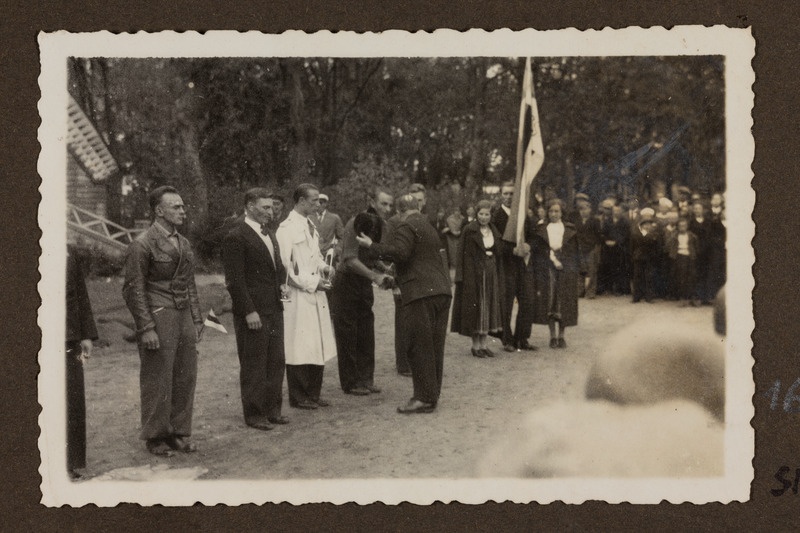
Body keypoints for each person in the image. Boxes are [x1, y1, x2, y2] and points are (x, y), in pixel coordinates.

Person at [122, 185, 203, 456]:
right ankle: (155, 436)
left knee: (185, 374)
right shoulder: (142, 243)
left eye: (182, 206)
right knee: (158, 377)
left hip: (182, 316)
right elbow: (133, 289)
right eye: (176, 207)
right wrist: (145, 327)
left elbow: (188, 283)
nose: (183, 210)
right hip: (158, 316)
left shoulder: (184, 243)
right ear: (159, 211)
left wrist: (197, 318)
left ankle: (179, 432)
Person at [356, 194, 452, 414]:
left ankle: (422, 397)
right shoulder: (428, 226)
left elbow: (401, 253)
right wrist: (395, 278)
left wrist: (372, 245)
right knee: (435, 346)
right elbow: (420, 261)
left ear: (399, 212)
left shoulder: (405, 225)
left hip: (420, 295)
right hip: (440, 292)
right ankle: (431, 394)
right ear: (417, 207)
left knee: (418, 345)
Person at [222, 188, 289, 431]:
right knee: (254, 362)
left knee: (276, 360)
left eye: (272, 208)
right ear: (250, 206)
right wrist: (248, 311)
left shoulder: (269, 233)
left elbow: (276, 267)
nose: (271, 212)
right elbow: (235, 280)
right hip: (253, 312)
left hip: (274, 308)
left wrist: (282, 286)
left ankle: (273, 410)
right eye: (265, 208)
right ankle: (254, 414)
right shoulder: (236, 236)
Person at [275, 183, 337, 410]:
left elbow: (315, 256)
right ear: (301, 201)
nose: (318, 204)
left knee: (317, 344)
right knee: (299, 345)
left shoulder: (311, 225)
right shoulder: (287, 229)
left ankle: (313, 393)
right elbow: (284, 269)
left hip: (315, 295)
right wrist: (313, 283)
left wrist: (325, 268)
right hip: (299, 297)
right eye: (313, 200)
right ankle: (299, 396)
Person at [330, 187, 394, 396]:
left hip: (363, 283)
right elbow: (349, 259)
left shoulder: (380, 225)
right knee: (348, 333)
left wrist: (383, 268)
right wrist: (375, 276)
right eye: (383, 203)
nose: (387, 208)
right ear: (372, 202)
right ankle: (350, 383)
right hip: (346, 283)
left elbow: (369, 254)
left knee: (366, 331)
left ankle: (366, 379)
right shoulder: (354, 222)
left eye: (390, 204)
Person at [451, 200, 503, 357]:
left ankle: (484, 344)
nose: (484, 217)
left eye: (487, 214)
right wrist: (461, 276)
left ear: (490, 215)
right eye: (481, 214)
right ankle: (475, 346)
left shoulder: (493, 230)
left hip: (491, 272)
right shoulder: (469, 230)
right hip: (474, 274)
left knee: (488, 306)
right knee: (477, 306)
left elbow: (497, 251)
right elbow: (460, 254)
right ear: (476, 214)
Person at [492, 181, 535, 352]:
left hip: (523, 263)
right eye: (506, 194)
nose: (509, 197)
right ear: (501, 195)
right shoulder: (496, 216)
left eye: (512, 194)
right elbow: (495, 241)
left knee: (527, 299)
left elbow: (533, 236)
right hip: (506, 263)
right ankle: (507, 339)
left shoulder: (523, 214)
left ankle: (522, 338)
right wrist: (512, 250)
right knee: (506, 301)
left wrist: (528, 246)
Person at [66, 246, 98, 479]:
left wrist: (86, 334)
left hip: (69, 337)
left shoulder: (69, 252)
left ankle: (69, 462)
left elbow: (80, 294)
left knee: (72, 397)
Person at [531, 198, 579, 348]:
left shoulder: (569, 229)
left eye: (556, 211)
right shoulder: (541, 229)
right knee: (550, 301)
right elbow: (537, 251)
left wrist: (570, 266)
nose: (553, 214)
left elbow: (575, 252)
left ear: (561, 212)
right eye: (551, 211)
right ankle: (552, 336)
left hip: (565, 268)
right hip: (547, 268)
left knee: (563, 301)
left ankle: (561, 336)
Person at [569, 193, 602, 299]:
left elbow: (598, 235)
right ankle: (580, 291)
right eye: (581, 209)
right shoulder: (576, 221)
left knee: (592, 271)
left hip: (591, 248)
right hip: (579, 248)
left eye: (586, 209)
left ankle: (591, 292)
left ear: (590, 210)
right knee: (579, 270)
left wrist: (596, 247)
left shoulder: (595, 221)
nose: (583, 211)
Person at [666, 217, 698, 306]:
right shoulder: (674, 235)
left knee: (691, 276)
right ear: (678, 227)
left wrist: (693, 254)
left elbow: (696, 245)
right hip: (679, 256)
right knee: (681, 278)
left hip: (690, 256)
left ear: (687, 226)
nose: (682, 227)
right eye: (680, 226)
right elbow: (668, 246)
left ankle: (691, 298)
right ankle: (683, 298)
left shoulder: (692, 235)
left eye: (684, 225)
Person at [630, 216, 660, 303]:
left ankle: (649, 297)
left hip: (649, 258)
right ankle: (636, 296)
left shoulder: (654, 235)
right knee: (637, 277)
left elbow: (657, 247)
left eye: (649, 224)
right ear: (641, 226)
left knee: (649, 277)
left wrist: (655, 256)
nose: (647, 226)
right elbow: (632, 247)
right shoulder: (635, 234)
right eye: (645, 224)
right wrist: (633, 255)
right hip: (638, 258)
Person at [310, 193, 344, 265]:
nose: (319, 205)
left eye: (321, 203)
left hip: (328, 256)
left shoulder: (334, 218)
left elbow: (342, 238)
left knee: (329, 274)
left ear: (326, 204)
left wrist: (336, 251)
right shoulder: (309, 218)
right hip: (311, 255)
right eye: (317, 202)